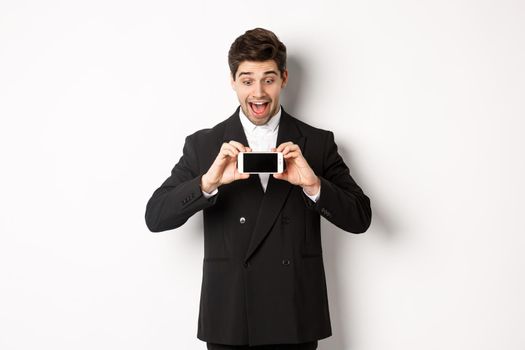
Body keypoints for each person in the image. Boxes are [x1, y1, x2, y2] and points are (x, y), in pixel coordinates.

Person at [145, 28, 372, 350]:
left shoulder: (318, 143)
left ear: (284, 78)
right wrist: (207, 184)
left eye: (268, 79)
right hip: (230, 315)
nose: (259, 92)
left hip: (294, 313)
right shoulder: (204, 144)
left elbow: (360, 219)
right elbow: (155, 217)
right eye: (247, 80)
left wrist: (313, 185)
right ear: (233, 81)